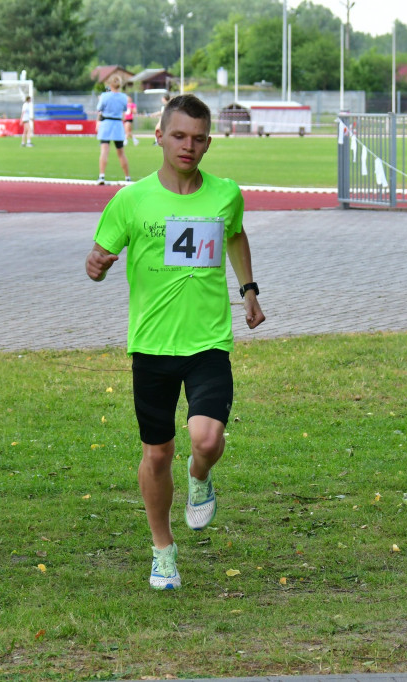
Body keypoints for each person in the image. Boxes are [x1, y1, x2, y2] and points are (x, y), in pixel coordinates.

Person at [85, 94, 266, 591]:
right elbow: (97, 258)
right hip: (151, 345)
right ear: (159, 136)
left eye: (199, 138)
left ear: (209, 142)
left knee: (207, 439)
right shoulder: (131, 199)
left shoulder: (226, 193)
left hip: (208, 339)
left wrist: (248, 290)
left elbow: (235, 234)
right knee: (158, 453)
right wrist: (96, 266)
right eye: (179, 135)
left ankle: (201, 475)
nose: (189, 146)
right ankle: (163, 549)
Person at [95, 74, 131, 184]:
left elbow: (99, 109)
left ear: (110, 84)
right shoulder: (124, 97)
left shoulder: (105, 96)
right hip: (117, 124)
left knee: (104, 151)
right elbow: (124, 109)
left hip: (106, 124)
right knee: (121, 152)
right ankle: (127, 177)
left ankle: (102, 176)